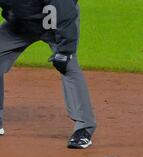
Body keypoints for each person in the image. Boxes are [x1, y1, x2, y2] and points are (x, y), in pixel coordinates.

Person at [0, 0, 95, 148]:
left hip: (54, 22)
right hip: (21, 23)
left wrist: (65, 51)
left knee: (67, 65)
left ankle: (84, 129)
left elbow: (65, 14)